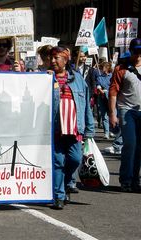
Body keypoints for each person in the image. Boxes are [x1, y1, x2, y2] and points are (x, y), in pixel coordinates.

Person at [50, 46, 95, 209]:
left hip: (74, 129)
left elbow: (86, 107)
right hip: (56, 129)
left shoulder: (77, 79)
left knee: (75, 159)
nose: (53, 61)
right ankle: (59, 196)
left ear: (66, 59)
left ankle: (68, 181)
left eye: (57, 58)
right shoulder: (47, 78)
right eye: (52, 58)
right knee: (58, 162)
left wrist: (89, 129)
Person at [108, 38, 141, 193]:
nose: (138, 55)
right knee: (131, 144)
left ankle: (135, 179)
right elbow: (113, 93)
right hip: (126, 110)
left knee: (139, 147)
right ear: (131, 51)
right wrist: (112, 114)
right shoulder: (121, 68)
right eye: (136, 51)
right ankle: (125, 179)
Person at [96, 62, 112, 139]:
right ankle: (106, 133)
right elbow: (98, 85)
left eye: (104, 67)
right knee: (104, 115)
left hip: (110, 97)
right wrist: (100, 89)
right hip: (102, 97)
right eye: (102, 67)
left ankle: (112, 130)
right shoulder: (99, 77)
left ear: (108, 68)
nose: (102, 69)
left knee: (112, 113)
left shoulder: (112, 76)